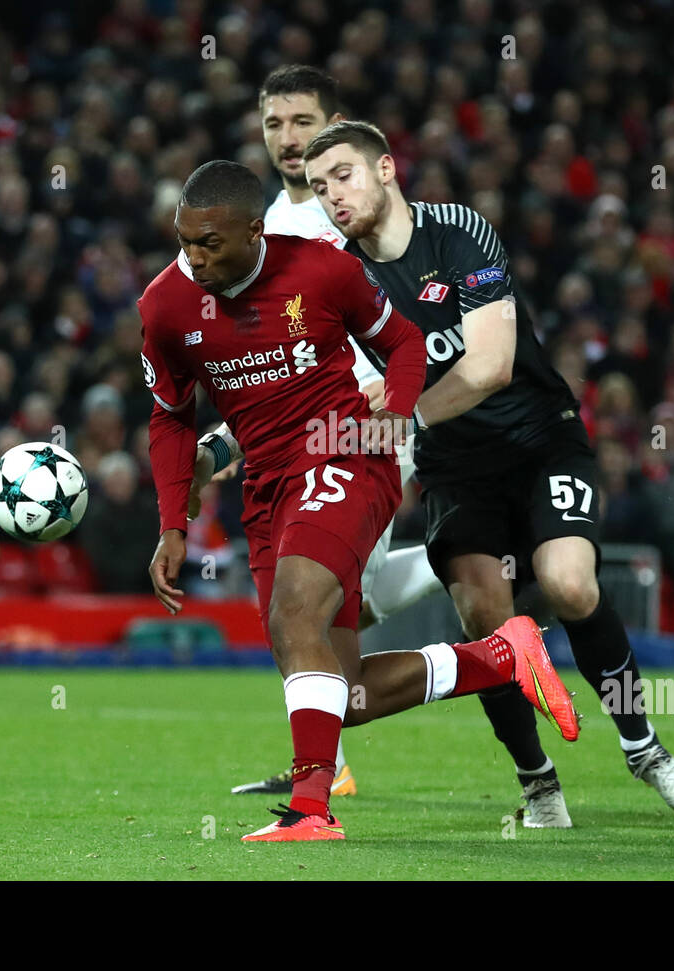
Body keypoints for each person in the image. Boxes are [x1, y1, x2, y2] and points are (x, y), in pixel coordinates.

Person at [141, 159, 577, 842]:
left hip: (345, 453)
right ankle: (502, 655)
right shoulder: (165, 305)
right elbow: (170, 416)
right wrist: (172, 522)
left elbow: (402, 341)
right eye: (185, 241)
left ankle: (312, 809)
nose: (193, 258)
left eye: (209, 243)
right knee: (340, 693)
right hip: (266, 485)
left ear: (254, 231)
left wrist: (398, 415)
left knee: (294, 612)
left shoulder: (321, 270)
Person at [303, 121, 674, 818]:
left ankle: (645, 748)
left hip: (538, 439)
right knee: (488, 619)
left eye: (343, 174)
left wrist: (402, 410)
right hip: (456, 470)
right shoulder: (340, 280)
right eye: (317, 187)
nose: (332, 195)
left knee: (569, 583)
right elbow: (305, 385)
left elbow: (490, 366)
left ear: (386, 168)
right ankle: (538, 781)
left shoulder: (458, 232)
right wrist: (225, 444)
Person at [184, 66, 446, 802]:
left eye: (303, 121)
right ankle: (464, 558)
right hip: (298, 431)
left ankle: (322, 772)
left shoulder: (357, 213)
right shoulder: (263, 224)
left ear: (334, 123)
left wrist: (394, 391)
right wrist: (229, 441)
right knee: (327, 610)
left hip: (368, 424)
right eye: (275, 124)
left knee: (307, 605)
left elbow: (414, 315)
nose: (288, 137)